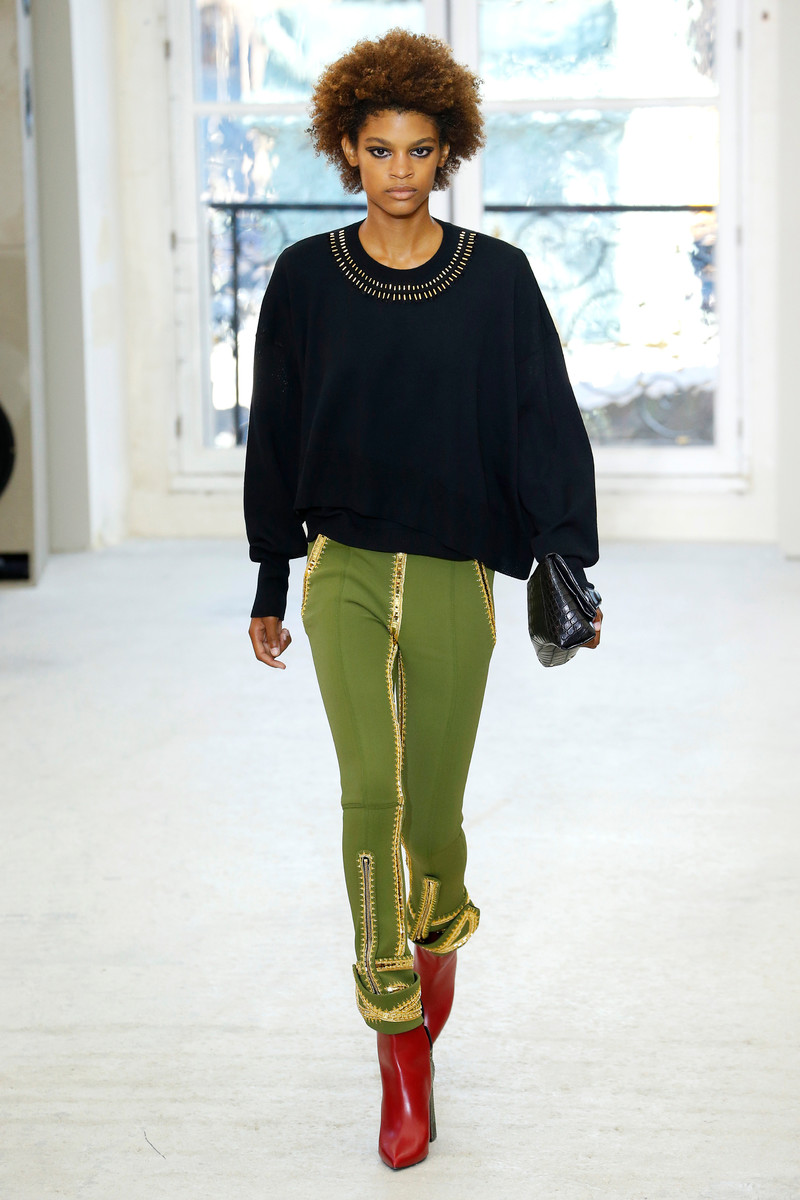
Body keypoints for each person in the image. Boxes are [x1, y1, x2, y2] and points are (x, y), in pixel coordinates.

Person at [244, 27, 602, 1171]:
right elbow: (275, 430)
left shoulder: (496, 280)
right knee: (368, 797)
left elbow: (543, 420)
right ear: (346, 151)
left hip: (455, 577)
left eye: (418, 149)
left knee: (432, 821)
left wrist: (568, 560)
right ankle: (398, 1043)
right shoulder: (304, 280)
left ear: (445, 152)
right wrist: (270, 573)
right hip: (342, 572)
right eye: (377, 149)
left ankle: (437, 922)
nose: (398, 170)